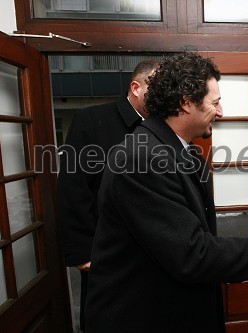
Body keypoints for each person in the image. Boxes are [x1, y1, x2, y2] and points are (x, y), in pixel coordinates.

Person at [84, 52, 248, 333]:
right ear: (185, 102)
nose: (221, 112)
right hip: (143, 317)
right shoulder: (140, 157)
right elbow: (190, 253)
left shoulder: (180, 152)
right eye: (215, 102)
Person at [56, 58, 160, 331]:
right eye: (158, 86)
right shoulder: (91, 119)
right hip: (106, 248)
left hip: (153, 245)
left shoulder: (164, 126)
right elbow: (73, 187)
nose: (165, 94)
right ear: (136, 87)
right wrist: (82, 252)